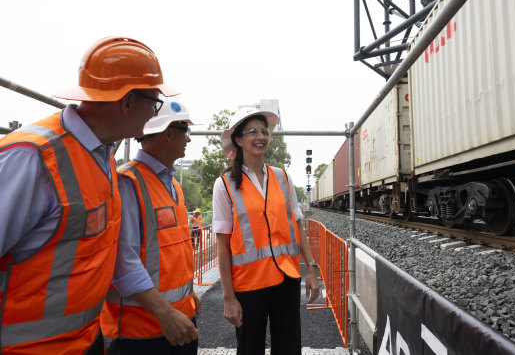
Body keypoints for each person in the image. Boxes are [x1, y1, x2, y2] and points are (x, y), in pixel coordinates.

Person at [0, 36, 177, 354]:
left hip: (85, 340)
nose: (153, 114)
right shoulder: (32, 157)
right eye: (154, 103)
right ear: (127, 102)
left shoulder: (102, 155)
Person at [212, 107, 321, 355]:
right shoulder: (225, 184)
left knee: (289, 348)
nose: (261, 136)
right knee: (250, 349)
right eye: (252, 131)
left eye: (264, 131)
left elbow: (297, 225)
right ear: (238, 140)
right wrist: (228, 298)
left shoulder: (282, 177)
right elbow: (222, 244)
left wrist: (311, 270)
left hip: (286, 279)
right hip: (249, 286)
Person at [101, 97, 201, 354]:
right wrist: (167, 313)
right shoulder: (127, 183)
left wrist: (187, 296)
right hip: (141, 335)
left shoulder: (174, 186)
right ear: (168, 133)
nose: (189, 139)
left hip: (178, 321)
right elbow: (123, 263)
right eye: (185, 131)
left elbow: (172, 254)